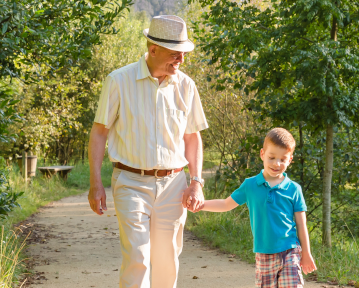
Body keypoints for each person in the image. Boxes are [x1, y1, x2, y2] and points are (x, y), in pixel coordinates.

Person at [86, 15, 209, 288]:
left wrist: (196, 182)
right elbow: (99, 133)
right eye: (175, 55)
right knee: (137, 257)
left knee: (167, 260)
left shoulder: (186, 86)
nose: (181, 61)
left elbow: (192, 138)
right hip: (130, 182)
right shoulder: (118, 80)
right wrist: (96, 183)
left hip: (174, 185)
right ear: (153, 49)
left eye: (183, 55)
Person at [199, 128, 317, 287]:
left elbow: (302, 225)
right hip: (264, 254)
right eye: (272, 157)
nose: (277, 163)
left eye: (283, 159)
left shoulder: (294, 189)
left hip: (290, 250)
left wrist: (306, 253)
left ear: (290, 160)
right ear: (262, 154)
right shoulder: (250, 185)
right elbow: (226, 204)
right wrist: (200, 205)